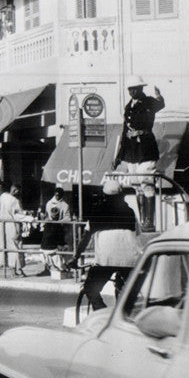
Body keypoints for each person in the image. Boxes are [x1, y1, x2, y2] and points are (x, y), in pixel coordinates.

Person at [69, 178, 141, 310]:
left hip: (106, 260)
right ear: (121, 195)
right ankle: (124, 314)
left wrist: (75, 258)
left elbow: (85, 238)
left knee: (90, 289)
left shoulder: (97, 211)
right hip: (130, 260)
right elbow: (137, 235)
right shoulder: (130, 212)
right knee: (128, 291)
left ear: (104, 195)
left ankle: (103, 316)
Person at [114, 77, 165, 232]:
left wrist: (159, 97)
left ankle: (150, 220)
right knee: (136, 184)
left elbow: (160, 105)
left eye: (135, 88)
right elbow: (124, 132)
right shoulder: (128, 106)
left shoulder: (148, 102)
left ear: (141, 88)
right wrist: (119, 156)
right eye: (130, 89)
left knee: (146, 181)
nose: (132, 91)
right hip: (131, 150)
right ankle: (143, 220)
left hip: (145, 148)